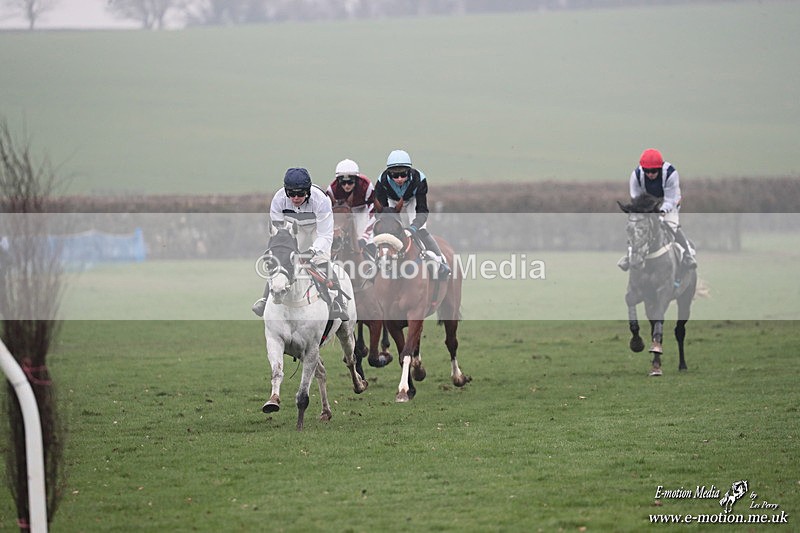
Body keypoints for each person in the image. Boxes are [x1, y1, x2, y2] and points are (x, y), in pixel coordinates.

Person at [252, 167, 350, 320]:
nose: (296, 198)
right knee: (281, 259)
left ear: (308, 191)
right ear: (286, 191)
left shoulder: (321, 200)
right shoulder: (278, 200)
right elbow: (279, 233)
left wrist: (312, 251)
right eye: (291, 194)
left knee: (321, 259)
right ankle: (265, 299)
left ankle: (338, 302)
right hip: (294, 228)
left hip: (318, 228)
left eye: (300, 194)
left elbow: (325, 235)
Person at [374, 149, 451, 278]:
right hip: (391, 201)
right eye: (395, 175)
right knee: (385, 231)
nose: (399, 179)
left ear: (409, 171)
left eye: (403, 174)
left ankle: (440, 261)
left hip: (412, 199)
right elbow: (381, 211)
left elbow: (422, 211)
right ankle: (374, 264)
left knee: (421, 230)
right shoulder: (382, 181)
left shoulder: (419, 179)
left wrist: (413, 228)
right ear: (388, 173)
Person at [618, 148, 697, 271]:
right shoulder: (636, 176)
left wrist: (661, 213)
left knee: (671, 225)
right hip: (647, 204)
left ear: (660, 168)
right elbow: (636, 199)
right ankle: (629, 256)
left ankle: (687, 254)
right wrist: (644, 212)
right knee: (637, 226)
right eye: (647, 171)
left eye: (654, 171)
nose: (650, 174)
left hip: (669, 201)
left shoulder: (670, 174)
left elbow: (670, 199)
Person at [326, 158, 377, 260]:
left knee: (366, 239)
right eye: (343, 183)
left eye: (350, 182)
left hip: (361, 210)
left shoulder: (366, 185)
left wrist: (365, 238)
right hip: (342, 212)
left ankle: (374, 261)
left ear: (356, 180)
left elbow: (373, 210)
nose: (346, 186)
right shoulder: (332, 189)